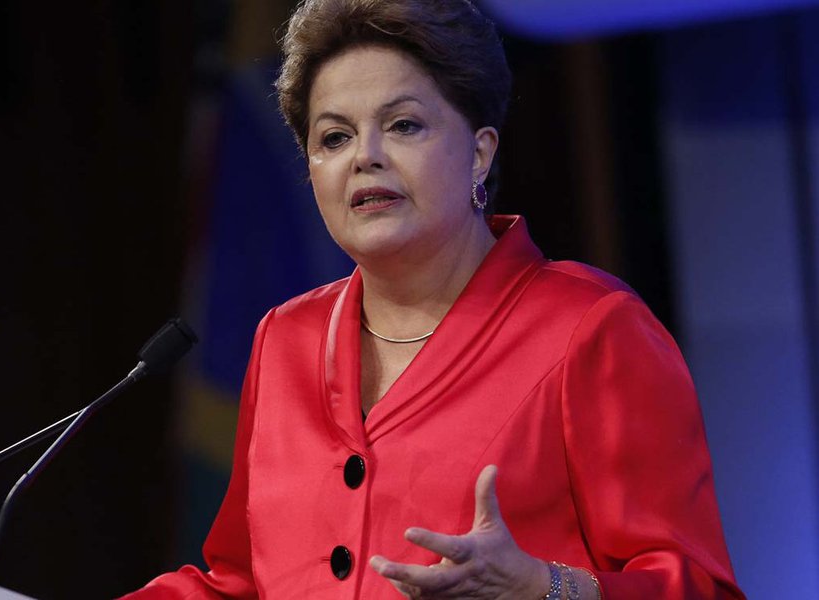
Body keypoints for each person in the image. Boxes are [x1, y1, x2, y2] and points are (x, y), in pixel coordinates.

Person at [121, 0, 745, 597]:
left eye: (403, 125)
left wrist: (541, 589)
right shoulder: (285, 338)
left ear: (480, 151)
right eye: (334, 138)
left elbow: (700, 590)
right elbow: (241, 583)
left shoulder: (590, 328)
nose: (365, 157)